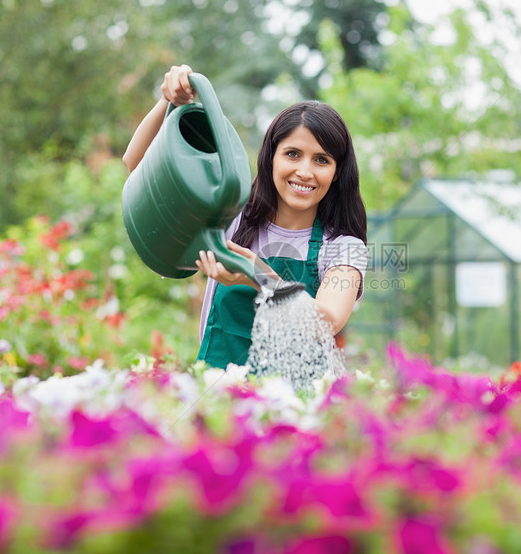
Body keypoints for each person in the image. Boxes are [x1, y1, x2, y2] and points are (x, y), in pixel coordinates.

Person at [123, 64, 368, 369]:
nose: (305, 172)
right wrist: (168, 101)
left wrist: (258, 274)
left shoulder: (343, 248)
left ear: (337, 172)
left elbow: (324, 322)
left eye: (321, 160)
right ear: (271, 157)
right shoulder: (232, 219)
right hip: (220, 402)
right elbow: (138, 168)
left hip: (295, 409)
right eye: (292, 154)